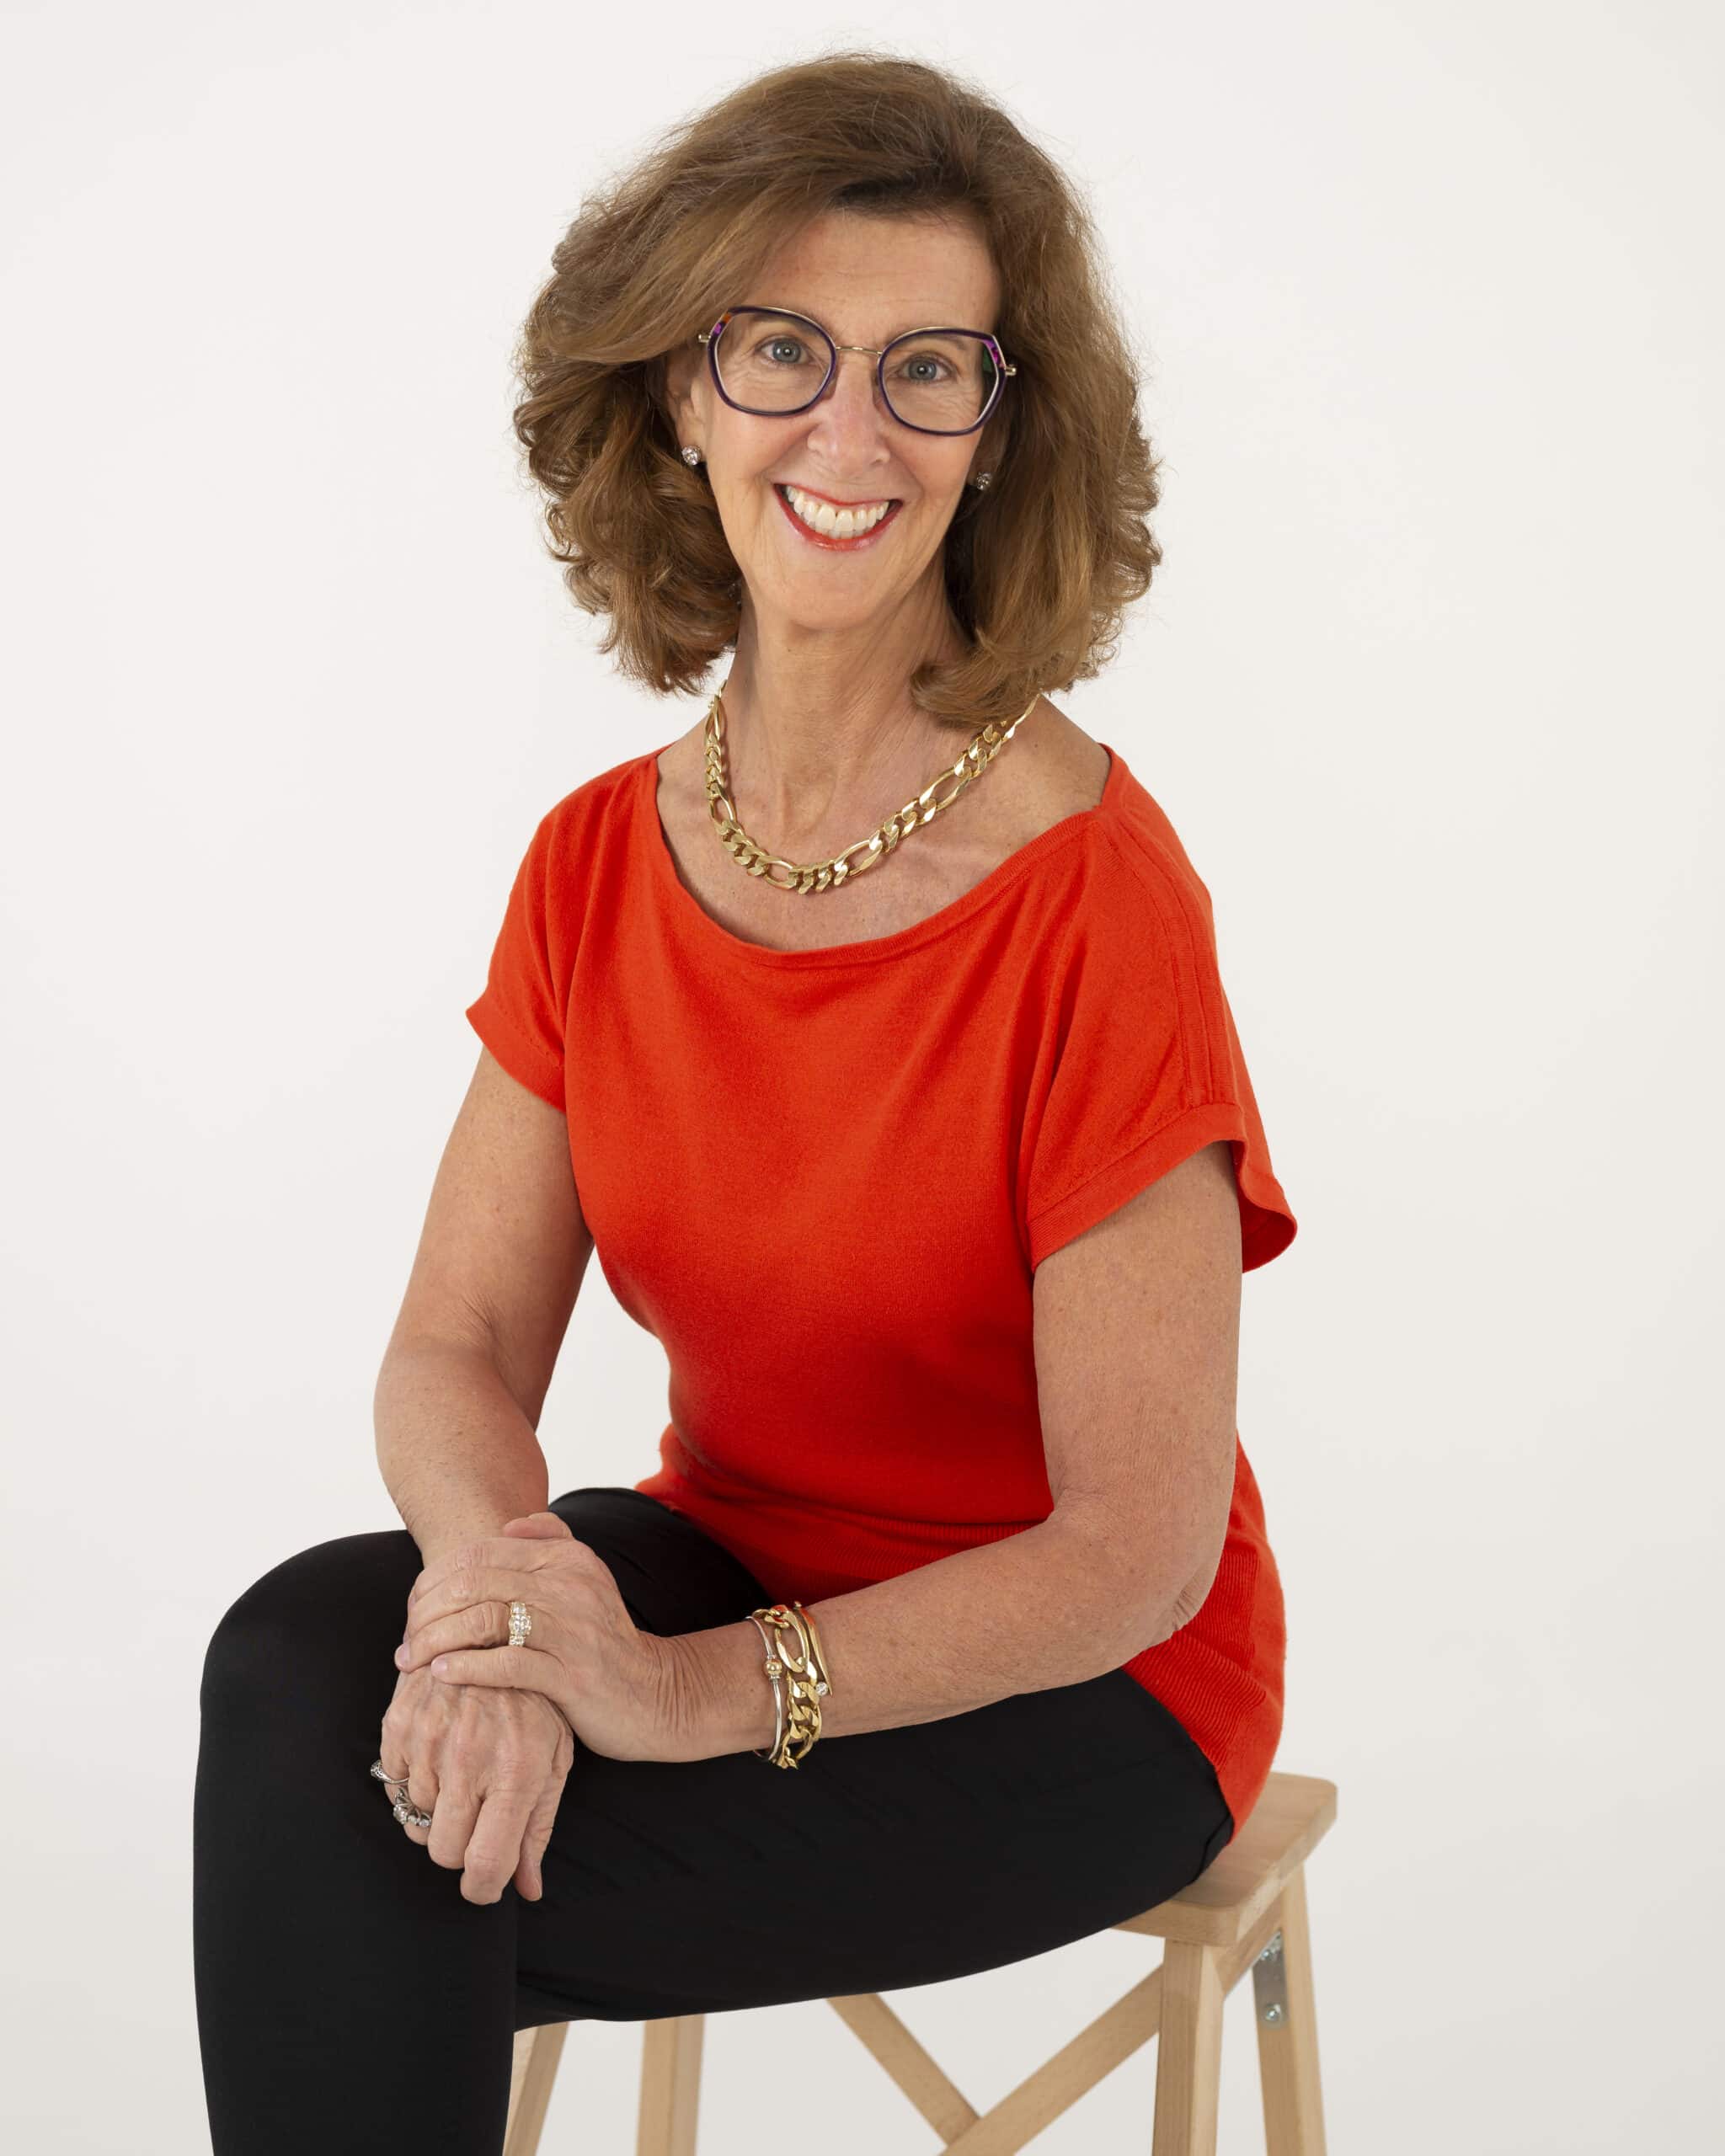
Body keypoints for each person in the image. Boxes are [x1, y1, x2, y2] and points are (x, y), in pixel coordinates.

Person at [193, 49, 1298, 2153]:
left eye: (929, 370)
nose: (846, 430)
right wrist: (507, 1615)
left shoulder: (1095, 901)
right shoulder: (603, 857)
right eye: (781, 348)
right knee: (296, 1663)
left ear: (999, 436)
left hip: (1078, 1696)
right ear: (680, 393)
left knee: (357, 1864)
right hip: (720, 1554)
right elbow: (454, 1344)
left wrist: (680, 1694)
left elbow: (1135, 1551)